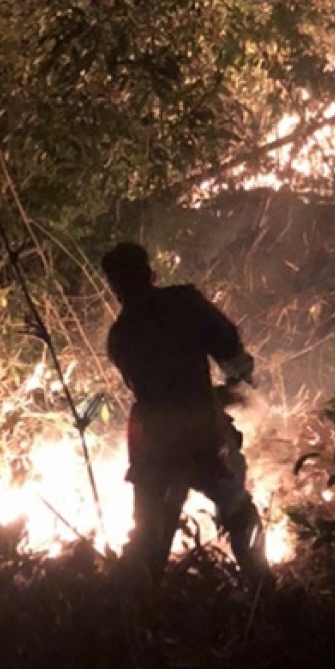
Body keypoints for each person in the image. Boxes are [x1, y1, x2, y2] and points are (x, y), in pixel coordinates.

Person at [101, 242, 268, 586]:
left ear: (115, 287)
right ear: (151, 274)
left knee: (150, 532)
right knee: (236, 508)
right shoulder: (183, 303)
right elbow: (229, 347)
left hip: (155, 440)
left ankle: (140, 609)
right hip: (200, 430)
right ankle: (261, 587)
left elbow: (151, 386)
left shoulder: (120, 336)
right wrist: (237, 382)